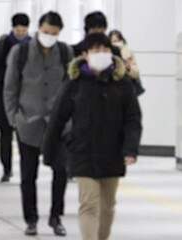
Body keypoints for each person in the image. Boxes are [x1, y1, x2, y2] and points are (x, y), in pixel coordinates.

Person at [43, 33, 142, 240]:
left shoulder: (122, 84)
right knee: (88, 204)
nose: (101, 54)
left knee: (107, 206)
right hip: (82, 151)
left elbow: (133, 119)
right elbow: (57, 119)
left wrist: (130, 149)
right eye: (96, 51)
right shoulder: (74, 83)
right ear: (85, 55)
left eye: (105, 50)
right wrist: (49, 151)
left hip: (112, 152)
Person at [4, 12, 74, 236]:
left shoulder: (65, 52)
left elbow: (72, 88)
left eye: (54, 34)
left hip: (58, 124)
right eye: (45, 32)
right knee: (28, 175)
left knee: (61, 170)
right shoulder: (21, 52)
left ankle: (56, 216)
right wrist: (14, 118)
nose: (49, 37)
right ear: (38, 28)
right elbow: (10, 87)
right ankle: (31, 218)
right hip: (28, 121)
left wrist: (70, 119)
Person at [0, 13, 31, 182]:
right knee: (5, 134)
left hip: (27, 96)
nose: (20, 32)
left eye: (23, 29)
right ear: (13, 28)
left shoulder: (33, 45)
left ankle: (25, 169)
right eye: (17, 29)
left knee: (25, 136)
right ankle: (6, 168)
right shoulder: (2, 45)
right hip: (6, 95)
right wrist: (7, 77)